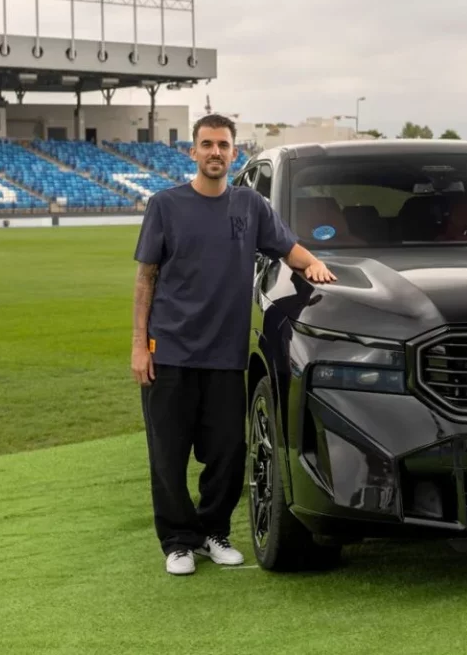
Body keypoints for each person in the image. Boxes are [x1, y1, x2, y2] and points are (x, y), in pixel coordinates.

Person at [131, 113, 336, 576]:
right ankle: (178, 542)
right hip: (170, 353)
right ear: (193, 151)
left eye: (223, 145)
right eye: (207, 145)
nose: (215, 153)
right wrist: (139, 347)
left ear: (233, 151)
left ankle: (213, 533)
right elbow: (145, 279)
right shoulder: (165, 205)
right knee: (167, 454)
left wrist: (315, 264)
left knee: (227, 452)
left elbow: (290, 249)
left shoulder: (250, 206)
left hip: (225, 356)